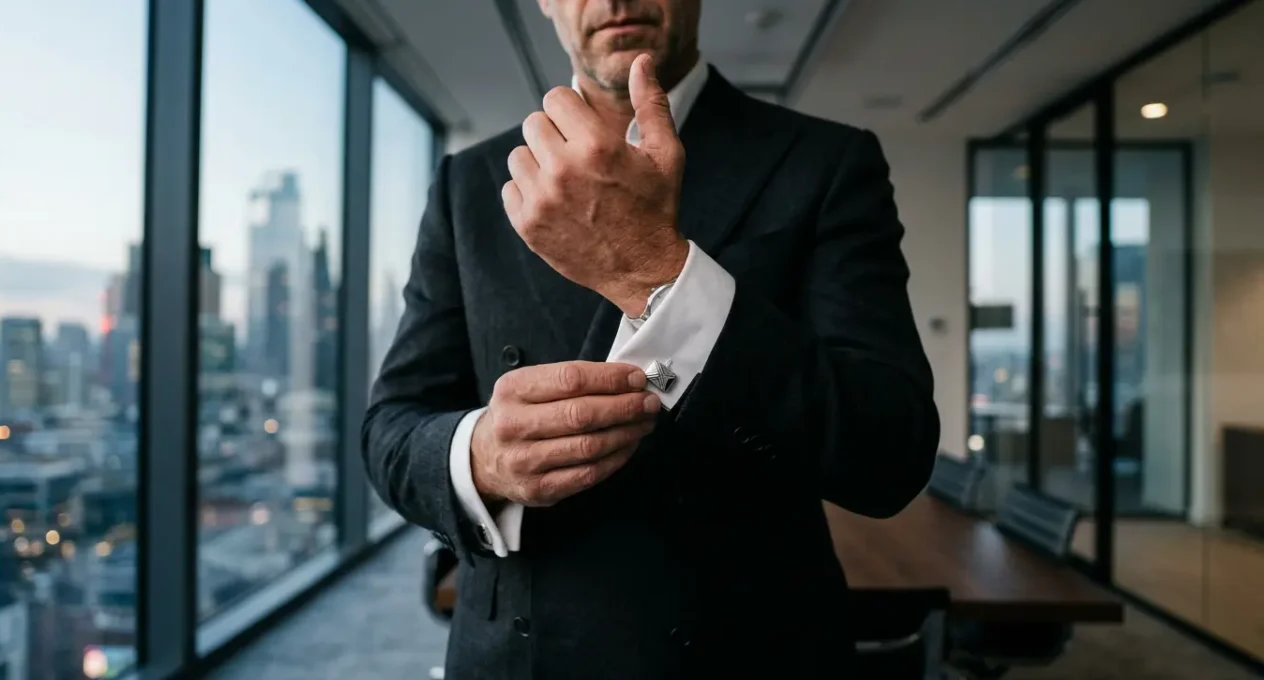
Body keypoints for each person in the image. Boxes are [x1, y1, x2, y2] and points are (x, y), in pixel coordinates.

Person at [362, 0, 940, 677]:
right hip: (519, 657)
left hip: (748, 653)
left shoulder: (825, 162)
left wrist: (653, 270)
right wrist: (480, 458)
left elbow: (889, 453)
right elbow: (391, 430)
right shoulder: (470, 184)